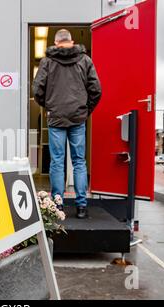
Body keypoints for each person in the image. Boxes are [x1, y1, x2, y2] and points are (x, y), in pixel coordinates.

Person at [32, 29, 102, 219]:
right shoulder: (85, 60)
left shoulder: (47, 62)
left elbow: (37, 89)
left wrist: (48, 106)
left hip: (56, 118)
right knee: (79, 161)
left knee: (57, 161)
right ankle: (81, 206)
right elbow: (96, 90)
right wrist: (85, 110)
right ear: (71, 42)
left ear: (56, 43)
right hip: (78, 118)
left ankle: (57, 204)